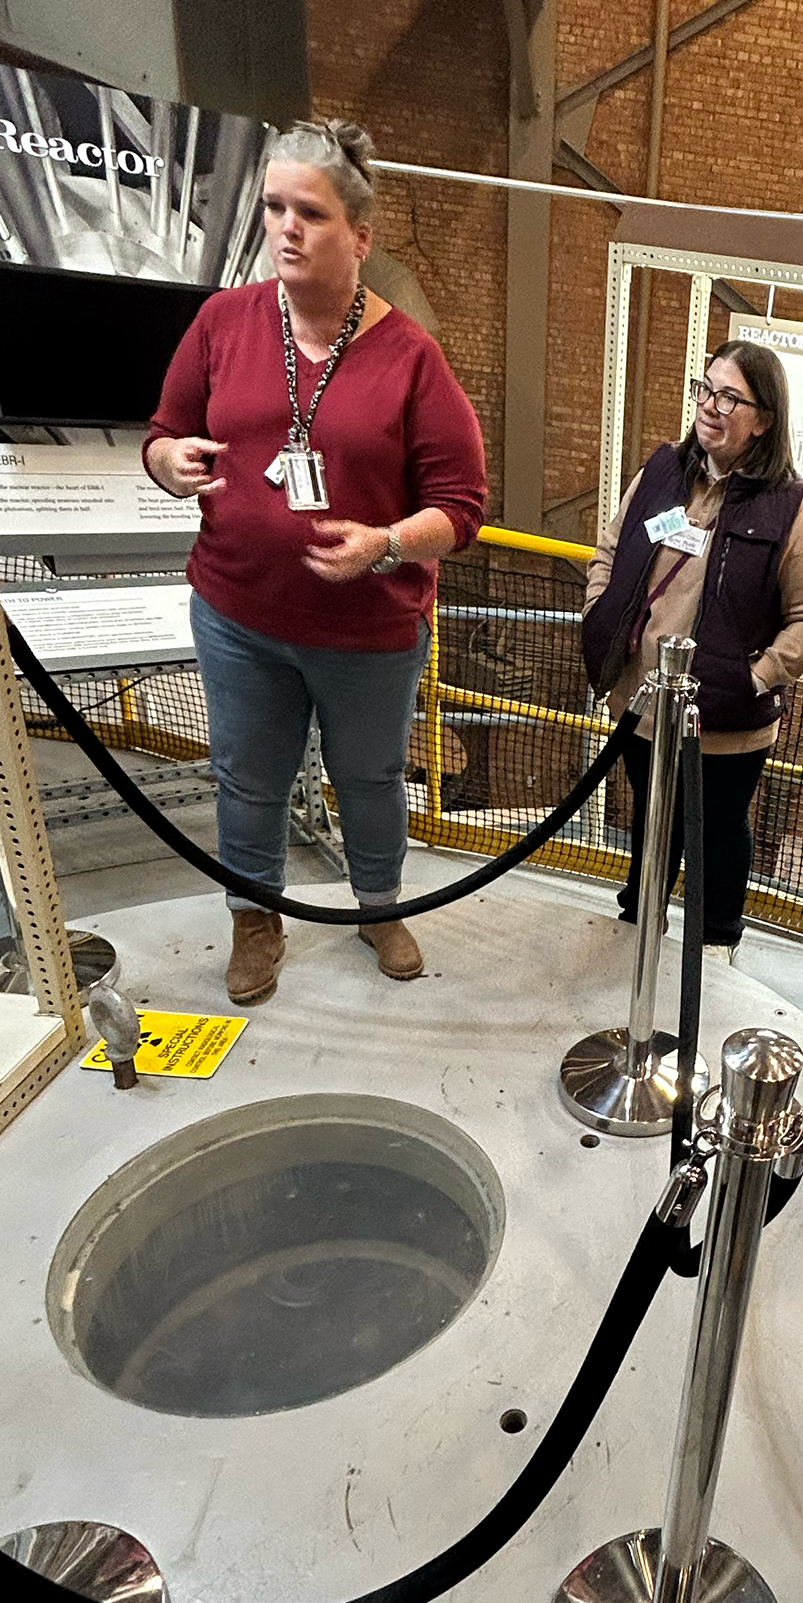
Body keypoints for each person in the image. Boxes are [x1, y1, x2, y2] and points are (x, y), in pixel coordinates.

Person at [144, 118, 487, 1006]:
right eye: (273, 208)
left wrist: (386, 546)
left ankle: (378, 905)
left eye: (312, 213)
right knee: (247, 778)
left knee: (369, 776)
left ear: (360, 238)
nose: (286, 228)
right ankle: (255, 919)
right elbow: (162, 432)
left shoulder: (411, 358)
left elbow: (462, 508)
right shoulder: (224, 321)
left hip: (367, 632)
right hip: (238, 617)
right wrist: (168, 465)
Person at [583, 343, 803, 953]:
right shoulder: (666, 472)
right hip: (643, 703)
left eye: (731, 397)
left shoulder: (793, 510)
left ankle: (715, 945)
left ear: (764, 418)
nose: (711, 407)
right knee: (650, 817)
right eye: (706, 389)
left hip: (725, 721)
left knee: (718, 833)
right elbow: (612, 547)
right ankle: (641, 923)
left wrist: (754, 677)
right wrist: (599, 608)